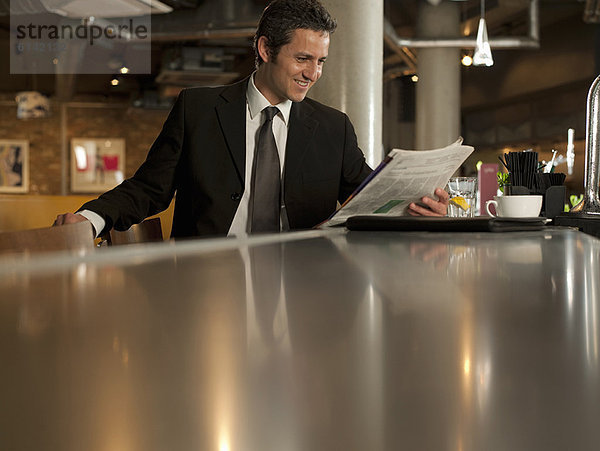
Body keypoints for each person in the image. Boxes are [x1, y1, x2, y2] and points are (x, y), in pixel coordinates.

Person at [54, 0, 448, 238]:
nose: (314, 74)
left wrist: (420, 205)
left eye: (321, 61)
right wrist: (92, 219)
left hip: (303, 285)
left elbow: (368, 198)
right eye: (303, 58)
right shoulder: (198, 110)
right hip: (207, 280)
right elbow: (149, 189)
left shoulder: (333, 127)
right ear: (265, 49)